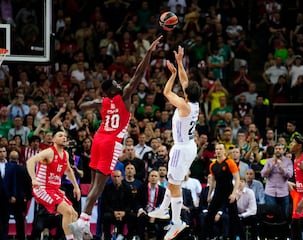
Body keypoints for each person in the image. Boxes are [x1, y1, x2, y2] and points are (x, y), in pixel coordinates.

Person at [69, 35, 162, 238]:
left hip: (98, 139)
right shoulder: (124, 96)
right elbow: (138, 74)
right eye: (115, 85)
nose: (119, 85)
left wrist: (96, 101)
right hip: (111, 142)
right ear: (112, 91)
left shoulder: (103, 102)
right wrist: (148, 53)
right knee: (99, 187)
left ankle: (83, 223)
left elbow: (83, 106)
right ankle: (82, 221)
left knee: (95, 185)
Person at [148, 46, 201, 240]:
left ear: (186, 94)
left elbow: (166, 91)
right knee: (172, 182)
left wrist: (171, 74)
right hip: (189, 146)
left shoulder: (184, 106)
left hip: (181, 148)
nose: (183, 87)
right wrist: (180, 62)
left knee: (174, 185)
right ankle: (163, 209)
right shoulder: (194, 103)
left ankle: (176, 222)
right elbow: (185, 80)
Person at [26, 130, 81, 240]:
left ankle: (77, 237)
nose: (64, 138)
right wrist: (33, 179)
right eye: (60, 136)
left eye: (65, 136)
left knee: (74, 214)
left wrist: (76, 187)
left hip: (55, 189)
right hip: (42, 188)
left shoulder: (65, 154)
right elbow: (30, 161)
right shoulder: (49, 152)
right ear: (54, 140)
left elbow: (69, 170)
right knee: (67, 211)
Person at [201, 143, 240, 239]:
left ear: (224, 151)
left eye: (220, 149)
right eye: (217, 149)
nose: (218, 151)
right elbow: (212, 181)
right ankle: (205, 236)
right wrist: (209, 195)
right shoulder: (212, 165)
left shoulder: (230, 162)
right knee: (210, 215)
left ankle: (236, 237)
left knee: (234, 216)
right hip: (218, 192)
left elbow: (237, 179)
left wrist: (234, 194)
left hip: (229, 191)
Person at [261, 143, 293, 218]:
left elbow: (290, 175)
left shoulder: (288, 161)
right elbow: (263, 174)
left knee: (285, 216)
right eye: (276, 149)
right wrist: (271, 167)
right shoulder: (269, 161)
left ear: (284, 150)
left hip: (283, 193)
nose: (278, 150)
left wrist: (281, 167)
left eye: (280, 149)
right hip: (270, 192)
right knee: (271, 216)